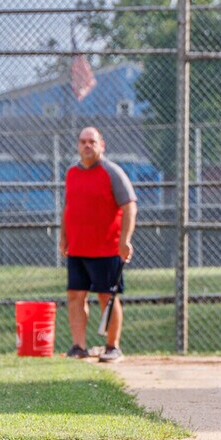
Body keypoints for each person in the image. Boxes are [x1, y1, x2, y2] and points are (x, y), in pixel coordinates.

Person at [62, 125, 135, 363]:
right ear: (78, 145)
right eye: (83, 141)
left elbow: (129, 207)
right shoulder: (72, 172)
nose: (87, 146)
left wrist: (124, 240)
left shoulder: (111, 172)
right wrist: (64, 238)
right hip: (78, 249)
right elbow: (69, 208)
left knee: (107, 297)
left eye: (92, 142)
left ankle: (113, 347)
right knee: (75, 295)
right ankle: (78, 346)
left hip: (106, 249)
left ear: (101, 145)